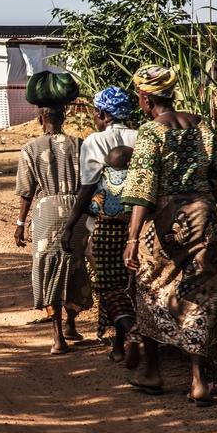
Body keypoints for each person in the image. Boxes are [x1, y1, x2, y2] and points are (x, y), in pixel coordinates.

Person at [122, 66, 217, 406]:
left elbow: (142, 188)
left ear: (145, 97)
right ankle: (199, 381)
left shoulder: (150, 132)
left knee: (151, 286)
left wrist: (132, 238)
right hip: (203, 215)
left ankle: (152, 371)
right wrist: (210, 196)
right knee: (200, 292)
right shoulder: (202, 124)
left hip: (165, 219)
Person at [60, 87, 140, 364]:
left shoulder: (94, 141)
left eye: (95, 112)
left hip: (105, 227)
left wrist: (70, 224)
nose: (94, 116)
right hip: (139, 225)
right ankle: (118, 345)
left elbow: (88, 187)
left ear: (103, 113)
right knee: (131, 285)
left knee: (108, 285)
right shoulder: (140, 136)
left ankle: (131, 335)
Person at [15, 104, 91, 354]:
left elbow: (27, 192)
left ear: (40, 119)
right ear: (64, 116)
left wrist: (20, 224)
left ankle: (57, 336)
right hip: (76, 210)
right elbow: (89, 184)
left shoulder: (30, 149)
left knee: (48, 269)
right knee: (75, 266)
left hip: (46, 211)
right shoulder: (80, 145)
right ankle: (71, 323)